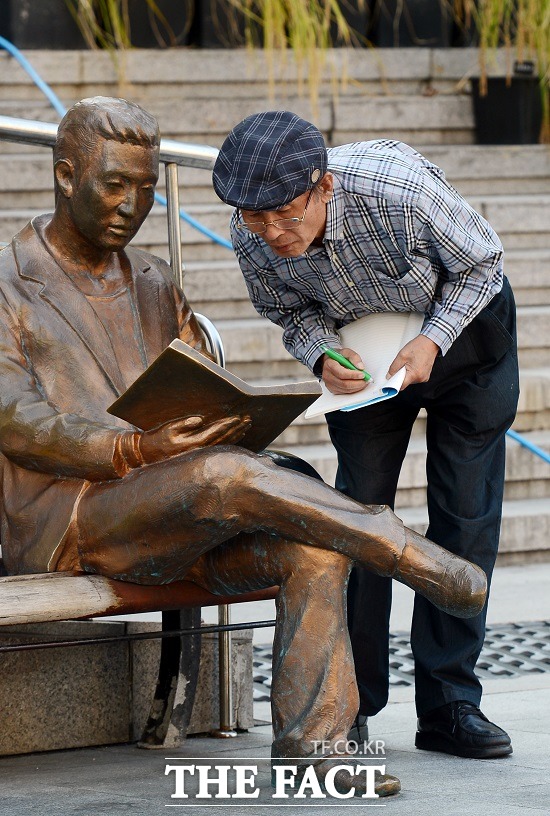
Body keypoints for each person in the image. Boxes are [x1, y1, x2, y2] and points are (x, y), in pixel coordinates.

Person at [0, 97, 487, 797]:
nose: (132, 205)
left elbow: (196, 383)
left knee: (310, 543)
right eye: (114, 184)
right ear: (65, 174)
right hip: (73, 518)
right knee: (228, 476)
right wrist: (135, 450)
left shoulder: (154, 282)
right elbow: (15, 419)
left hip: (180, 505)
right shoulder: (9, 282)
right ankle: (398, 545)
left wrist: (232, 415)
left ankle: (315, 754)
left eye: (147, 189)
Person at [212, 109, 519, 760]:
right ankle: (347, 705)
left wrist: (433, 339)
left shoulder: (399, 189)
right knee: (358, 520)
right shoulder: (252, 231)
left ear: (323, 186)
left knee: (464, 516)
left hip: (465, 340)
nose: (271, 232)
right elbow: (288, 310)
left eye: (286, 215)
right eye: (254, 218)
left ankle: (451, 705)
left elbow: (482, 263)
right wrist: (322, 352)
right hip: (366, 356)